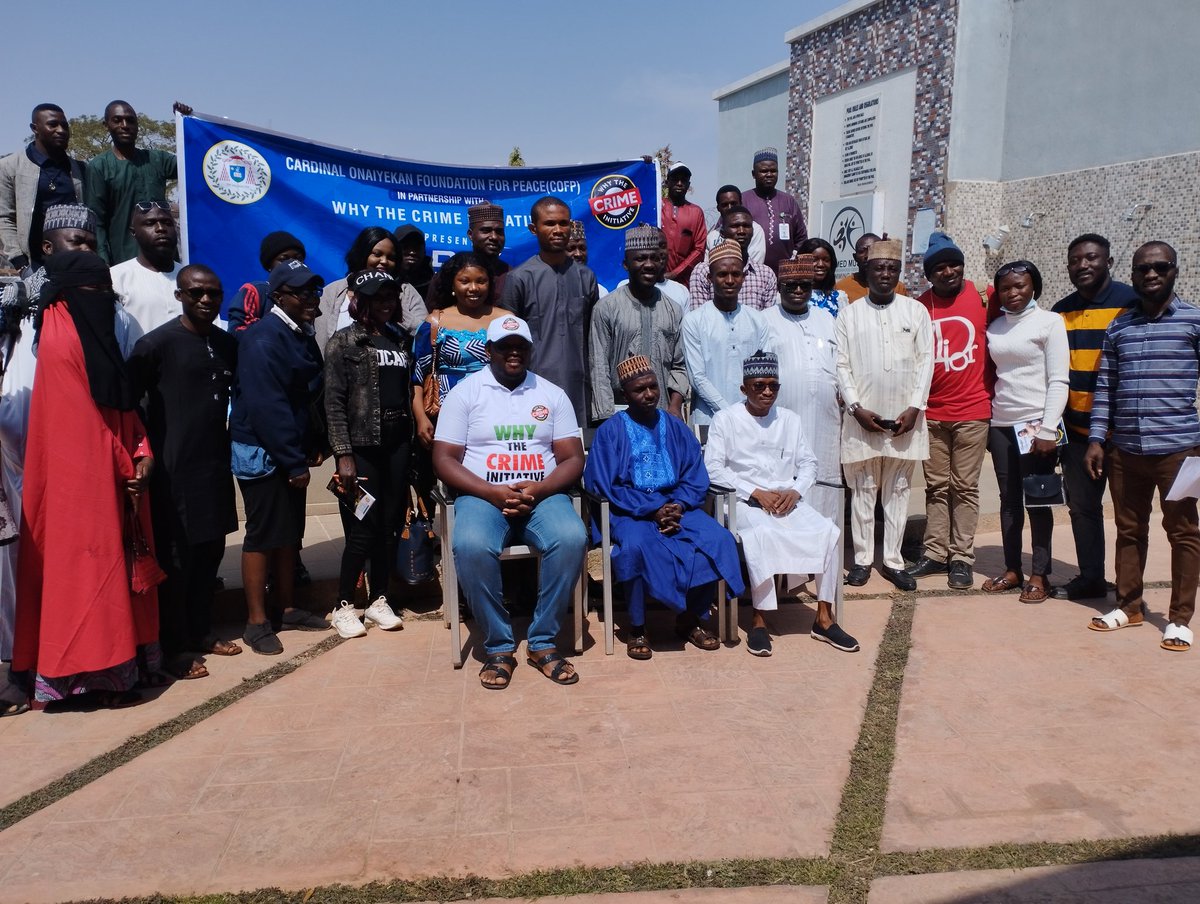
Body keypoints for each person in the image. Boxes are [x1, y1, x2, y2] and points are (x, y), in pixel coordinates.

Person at [12, 251, 161, 708]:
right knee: (84, 575)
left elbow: (120, 404)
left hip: (111, 475)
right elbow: (80, 426)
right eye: (92, 292)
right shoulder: (59, 338)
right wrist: (125, 462)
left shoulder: (91, 332)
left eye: (105, 292)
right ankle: (80, 681)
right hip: (78, 486)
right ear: (70, 294)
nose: (101, 300)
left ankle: (120, 671)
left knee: (114, 567)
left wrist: (141, 451)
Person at [432, 315, 587, 689]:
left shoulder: (551, 394)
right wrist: (491, 492)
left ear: (530, 351)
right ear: (490, 351)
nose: (513, 354)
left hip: (542, 494)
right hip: (482, 495)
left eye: (520, 347)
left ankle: (542, 642)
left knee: (572, 538)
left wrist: (538, 490)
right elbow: (443, 459)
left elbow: (573, 458)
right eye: (505, 347)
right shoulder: (466, 393)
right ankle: (499, 645)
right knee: (469, 545)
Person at [584, 356, 742, 659]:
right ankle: (638, 627)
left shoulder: (676, 427)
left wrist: (678, 505)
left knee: (718, 540)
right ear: (624, 395)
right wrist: (653, 508)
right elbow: (605, 485)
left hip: (678, 506)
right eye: (639, 390)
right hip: (629, 511)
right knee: (636, 547)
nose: (649, 394)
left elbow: (696, 476)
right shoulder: (611, 431)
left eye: (653, 387)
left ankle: (690, 619)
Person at [1086, 242, 1200, 651]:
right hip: (1126, 450)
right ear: (1131, 275)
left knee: (1183, 532)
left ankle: (1180, 619)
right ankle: (1129, 606)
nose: (1151, 275)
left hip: (1179, 451)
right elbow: (1106, 387)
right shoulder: (1120, 326)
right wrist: (1098, 438)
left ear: (1174, 271)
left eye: (1160, 267)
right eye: (1142, 269)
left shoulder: (1193, 321)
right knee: (1129, 530)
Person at [706, 351, 858, 656]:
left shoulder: (790, 419)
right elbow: (713, 468)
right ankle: (759, 620)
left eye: (773, 386)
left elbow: (808, 464)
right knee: (763, 535)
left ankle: (824, 619)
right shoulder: (725, 419)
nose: (767, 392)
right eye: (759, 385)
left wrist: (797, 491)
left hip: (787, 501)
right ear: (743, 388)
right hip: (742, 503)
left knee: (827, 532)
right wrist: (755, 492)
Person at [129, 264, 239, 680]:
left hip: (213, 468)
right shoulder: (154, 346)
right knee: (177, 561)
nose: (206, 300)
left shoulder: (228, 345)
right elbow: (131, 406)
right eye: (197, 293)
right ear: (180, 296)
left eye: (213, 293)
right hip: (172, 474)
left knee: (210, 555)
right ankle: (173, 647)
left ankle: (200, 632)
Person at [229, 259, 330, 655]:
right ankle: (256, 622)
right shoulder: (264, 339)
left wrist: (312, 443)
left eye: (314, 292)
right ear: (280, 296)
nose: (311, 299)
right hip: (264, 453)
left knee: (289, 534)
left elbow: (305, 394)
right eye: (302, 293)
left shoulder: (297, 332)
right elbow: (268, 408)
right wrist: (292, 461)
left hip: (289, 450)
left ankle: (287, 608)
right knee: (262, 534)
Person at [836, 238, 932, 591]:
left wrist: (915, 407)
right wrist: (856, 408)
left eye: (892, 268)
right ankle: (862, 560)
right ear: (867, 270)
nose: (886, 274)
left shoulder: (915, 312)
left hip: (905, 420)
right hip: (862, 418)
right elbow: (841, 365)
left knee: (898, 491)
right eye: (879, 268)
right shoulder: (849, 314)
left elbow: (926, 362)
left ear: (899, 271)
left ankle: (892, 560)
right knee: (862, 490)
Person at [323, 270, 411, 639]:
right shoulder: (343, 342)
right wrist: (343, 454)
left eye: (391, 296)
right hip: (362, 447)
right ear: (360, 301)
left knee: (390, 526)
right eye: (378, 297)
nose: (387, 303)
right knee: (363, 528)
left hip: (398, 445)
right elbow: (334, 402)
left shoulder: (400, 338)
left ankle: (379, 599)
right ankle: (343, 605)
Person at [1050, 233, 1138, 601]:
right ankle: (1089, 577)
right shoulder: (1061, 311)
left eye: (1091, 258)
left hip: (1121, 434)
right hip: (1076, 433)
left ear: (1109, 262)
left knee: (1128, 515)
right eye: (1075, 260)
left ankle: (1129, 588)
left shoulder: (1131, 304)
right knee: (1083, 509)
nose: (1083, 265)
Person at [906, 233, 992, 590]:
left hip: (973, 409)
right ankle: (935, 553)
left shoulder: (984, 296)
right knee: (936, 486)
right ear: (929, 274)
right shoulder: (919, 306)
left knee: (965, 487)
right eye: (939, 267)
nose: (948, 271)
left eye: (953, 263)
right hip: (933, 412)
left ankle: (961, 557)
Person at [981, 260, 1068, 603]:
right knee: (1009, 502)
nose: (1014, 293)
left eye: (1021, 286)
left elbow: (1059, 380)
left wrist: (1048, 429)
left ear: (1034, 286)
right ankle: (1012, 569)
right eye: (1006, 288)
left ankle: (1039, 574)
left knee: (1038, 499)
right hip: (1001, 424)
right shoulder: (997, 326)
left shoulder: (1050, 322)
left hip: (1036, 425)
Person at [500, 196, 599, 425]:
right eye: (550, 224)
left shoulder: (586, 277)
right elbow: (509, 340)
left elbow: (593, 337)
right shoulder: (519, 278)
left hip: (579, 387)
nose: (558, 230)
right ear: (534, 229)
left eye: (563, 223)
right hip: (532, 387)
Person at [761, 255, 841, 522]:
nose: (797, 291)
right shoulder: (765, 320)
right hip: (783, 419)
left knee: (824, 479)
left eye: (804, 286)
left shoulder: (827, 319)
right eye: (791, 285)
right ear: (779, 287)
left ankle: (825, 544)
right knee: (787, 476)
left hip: (826, 421)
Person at [589, 224, 687, 422]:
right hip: (619, 413)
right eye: (640, 258)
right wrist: (608, 420)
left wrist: (674, 406)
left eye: (655, 258)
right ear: (626, 264)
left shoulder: (673, 310)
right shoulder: (606, 308)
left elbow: (679, 366)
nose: (649, 265)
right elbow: (599, 368)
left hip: (661, 415)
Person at [412, 252, 509, 449]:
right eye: (465, 281)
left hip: (499, 413)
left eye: (481, 281)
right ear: (453, 285)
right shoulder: (434, 322)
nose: (473, 288)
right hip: (447, 416)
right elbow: (417, 378)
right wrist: (421, 419)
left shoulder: (506, 320)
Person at [84, 99, 191, 265]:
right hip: (125, 259)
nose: (125, 125)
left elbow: (193, 166)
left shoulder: (157, 160)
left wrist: (187, 124)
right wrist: (103, 264)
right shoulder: (99, 167)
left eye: (131, 120)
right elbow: (96, 221)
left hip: (165, 259)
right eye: (117, 120)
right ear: (106, 125)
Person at [683, 241, 773, 426]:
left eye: (736, 274)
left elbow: (764, 372)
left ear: (743, 277)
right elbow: (697, 378)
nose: (730, 281)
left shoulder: (757, 320)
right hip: (709, 419)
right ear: (709, 278)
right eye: (722, 274)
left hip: (752, 419)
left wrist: (747, 411)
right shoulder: (694, 321)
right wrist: (731, 414)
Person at [0, 104, 87, 271]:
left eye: (65, 125)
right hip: (34, 264)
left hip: (76, 263)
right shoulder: (9, 167)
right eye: (53, 124)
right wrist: (19, 261)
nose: (61, 130)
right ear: (35, 128)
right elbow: (4, 217)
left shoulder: (80, 169)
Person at [315, 226, 425, 354]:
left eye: (391, 257)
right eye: (377, 254)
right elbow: (320, 343)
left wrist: (395, 308)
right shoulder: (333, 292)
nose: (384, 261)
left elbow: (425, 333)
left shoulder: (406, 291)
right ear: (362, 254)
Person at [110, 200, 182, 338]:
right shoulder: (116, 278)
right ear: (133, 232)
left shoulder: (190, 277)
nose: (161, 228)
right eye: (150, 223)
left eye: (167, 223)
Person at [688, 206, 777, 311]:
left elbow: (766, 322)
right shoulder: (703, 271)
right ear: (722, 232)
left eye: (746, 226)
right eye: (735, 226)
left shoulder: (766, 274)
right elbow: (699, 319)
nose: (741, 231)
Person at [424, 202, 511, 308]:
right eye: (486, 231)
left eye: (499, 232)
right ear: (470, 235)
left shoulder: (512, 276)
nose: (494, 237)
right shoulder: (451, 273)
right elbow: (434, 313)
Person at [740, 147, 806, 274]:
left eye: (773, 171)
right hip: (750, 274)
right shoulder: (742, 200)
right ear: (754, 174)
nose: (769, 175)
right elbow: (724, 231)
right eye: (764, 171)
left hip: (785, 274)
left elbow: (801, 237)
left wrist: (794, 260)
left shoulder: (789, 201)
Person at [226, 231, 306, 332]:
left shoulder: (309, 297)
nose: (292, 264)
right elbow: (237, 331)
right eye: (283, 259)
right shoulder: (255, 291)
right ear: (269, 266)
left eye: (298, 259)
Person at [660, 164, 707, 287]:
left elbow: (699, 249)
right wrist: (645, 166)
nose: (680, 183)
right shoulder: (657, 206)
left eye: (684, 180)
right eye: (675, 179)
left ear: (688, 185)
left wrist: (674, 273)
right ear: (667, 182)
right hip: (653, 281)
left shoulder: (696, 212)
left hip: (683, 284)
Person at [835, 233, 909, 303]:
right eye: (862, 251)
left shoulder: (898, 287)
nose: (867, 255)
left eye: (873, 250)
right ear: (855, 257)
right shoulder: (841, 287)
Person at [706, 185, 765, 264]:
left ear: (741, 203)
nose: (730, 208)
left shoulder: (755, 229)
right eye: (725, 205)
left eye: (733, 203)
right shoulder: (712, 236)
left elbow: (754, 262)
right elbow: (708, 265)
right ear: (718, 208)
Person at [796, 238, 848, 317]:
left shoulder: (838, 298)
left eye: (826, 260)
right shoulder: (793, 296)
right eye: (814, 260)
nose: (820, 264)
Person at [566, 219, 609, 296]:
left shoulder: (600, 292)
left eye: (582, 248)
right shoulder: (548, 288)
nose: (578, 254)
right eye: (571, 249)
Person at [395, 224, 434, 300]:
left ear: (424, 252)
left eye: (417, 247)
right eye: (405, 247)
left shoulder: (434, 286)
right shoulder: (382, 279)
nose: (412, 252)